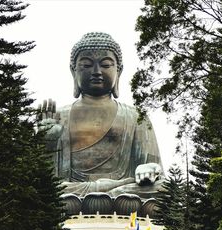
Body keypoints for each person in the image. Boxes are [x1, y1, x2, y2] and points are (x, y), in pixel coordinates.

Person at [39, 32, 163, 200]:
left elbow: (154, 169)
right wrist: (48, 143)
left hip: (122, 190)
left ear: (119, 71)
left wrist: (148, 169)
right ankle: (104, 197)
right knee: (41, 192)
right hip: (72, 192)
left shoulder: (136, 117)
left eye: (105, 65)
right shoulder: (58, 117)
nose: (96, 71)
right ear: (73, 71)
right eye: (86, 65)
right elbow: (44, 179)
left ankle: (105, 197)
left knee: (162, 189)